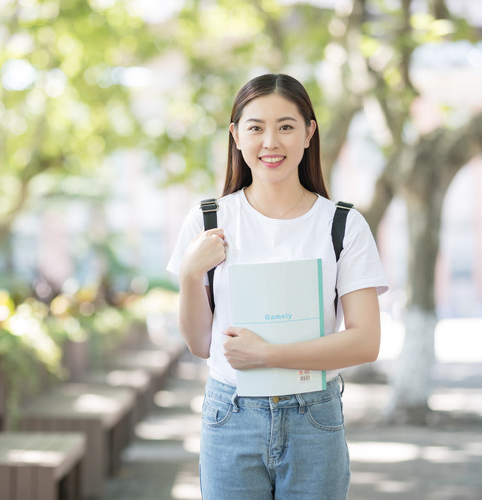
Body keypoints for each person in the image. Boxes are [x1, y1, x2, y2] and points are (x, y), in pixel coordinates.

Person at [166, 73, 388, 499]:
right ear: (235, 135)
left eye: (286, 126)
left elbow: (366, 342)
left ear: (309, 133)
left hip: (314, 417)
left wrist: (268, 355)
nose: (271, 142)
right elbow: (199, 343)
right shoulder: (208, 222)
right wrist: (191, 275)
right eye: (256, 128)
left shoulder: (342, 225)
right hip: (230, 415)